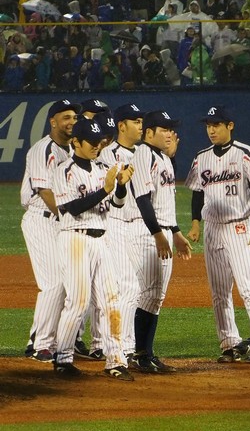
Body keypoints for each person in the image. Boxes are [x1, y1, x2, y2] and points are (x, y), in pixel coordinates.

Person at [50, 117, 135, 380]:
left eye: (100, 142)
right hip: (74, 239)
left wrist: (120, 187)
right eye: (91, 142)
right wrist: (106, 188)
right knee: (78, 301)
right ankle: (63, 358)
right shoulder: (63, 170)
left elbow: (118, 205)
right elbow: (72, 208)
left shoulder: (103, 168)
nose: (97, 147)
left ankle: (116, 360)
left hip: (102, 239)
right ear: (76, 142)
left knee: (111, 299)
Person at [185, 106, 250, 363]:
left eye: (217, 124)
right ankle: (228, 343)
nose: (211, 129)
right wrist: (195, 222)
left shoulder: (246, 154)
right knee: (219, 292)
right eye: (208, 125)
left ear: (230, 125)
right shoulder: (201, 157)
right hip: (213, 229)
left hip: (240, 227)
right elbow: (197, 191)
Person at [129, 110, 192, 373]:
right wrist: (158, 234)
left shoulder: (163, 158)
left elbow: (165, 200)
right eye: (164, 129)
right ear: (149, 133)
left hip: (162, 231)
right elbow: (143, 199)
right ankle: (137, 353)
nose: (169, 133)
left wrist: (175, 233)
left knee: (155, 296)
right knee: (145, 295)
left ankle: (145, 353)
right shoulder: (143, 154)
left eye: (171, 129)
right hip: (148, 233)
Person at [20, 100, 80, 363]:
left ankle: (41, 337)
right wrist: (67, 218)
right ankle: (40, 345)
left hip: (60, 221)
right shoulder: (42, 150)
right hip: (42, 219)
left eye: (74, 117)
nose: (71, 122)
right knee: (54, 283)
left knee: (68, 284)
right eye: (65, 117)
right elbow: (45, 192)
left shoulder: (73, 150)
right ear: (52, 121)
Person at [96, 103, 147, 362]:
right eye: (134, 121)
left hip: (137, 228)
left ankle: (122, 345)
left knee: (134, 288)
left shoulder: (144, 153)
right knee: (127, 286)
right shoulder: (107, 155)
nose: (140, 125)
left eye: (141, 121)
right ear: (121, 125)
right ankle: (122, 347)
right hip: (113, 222)